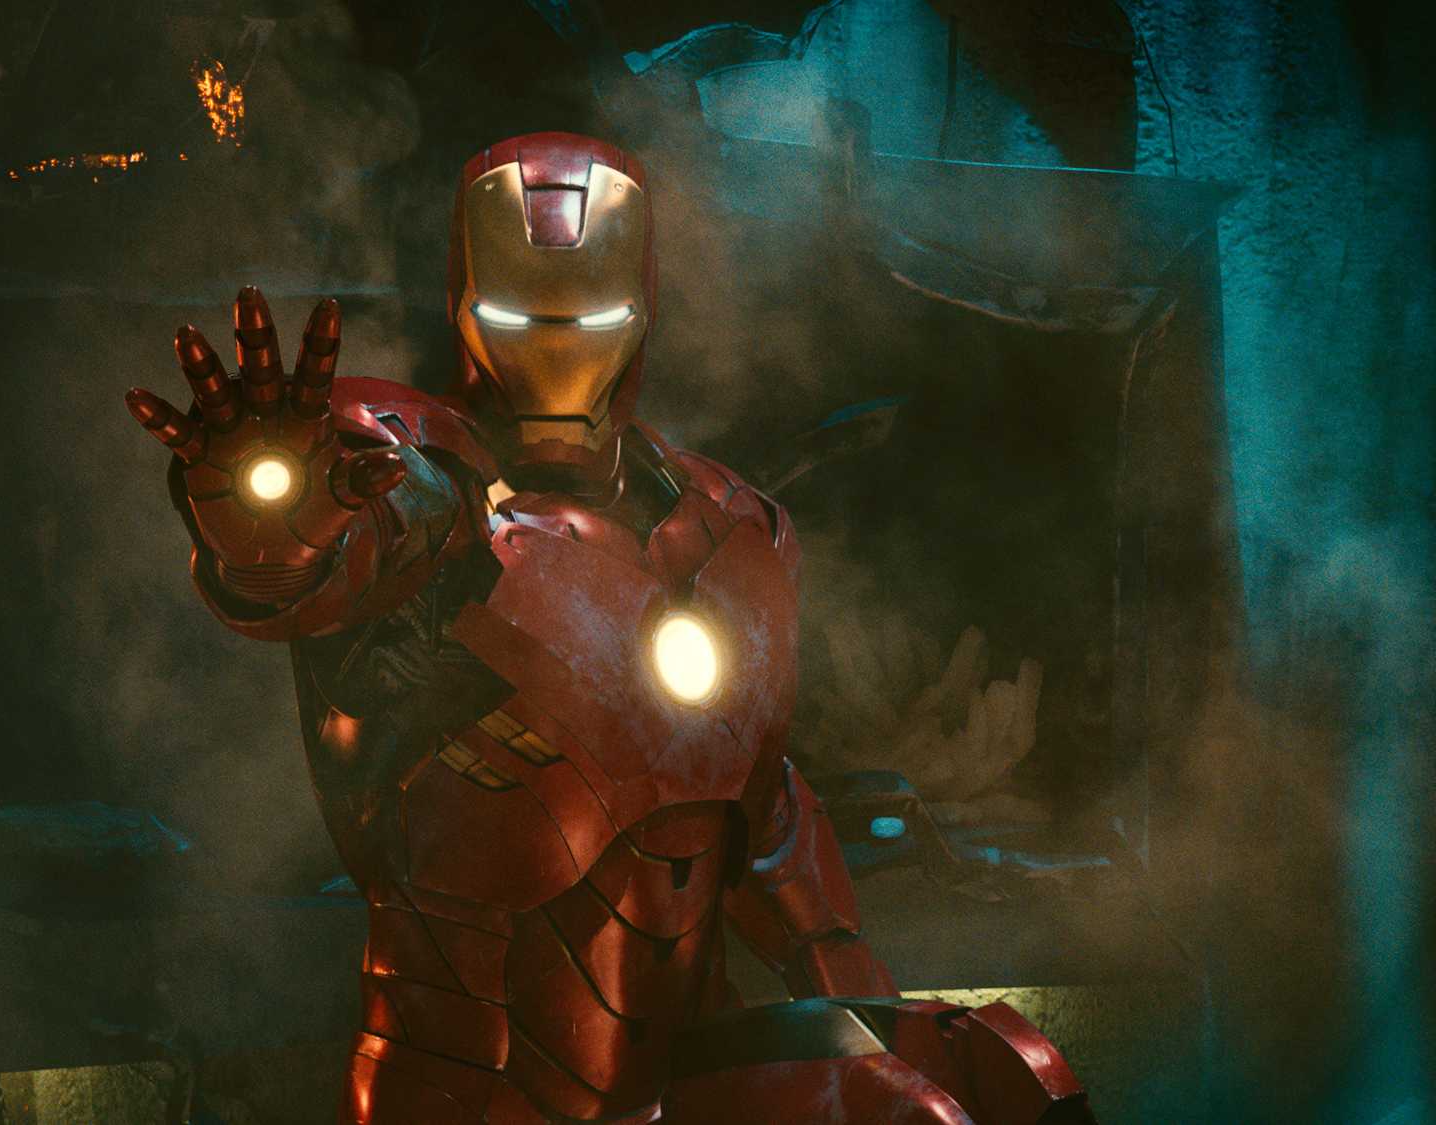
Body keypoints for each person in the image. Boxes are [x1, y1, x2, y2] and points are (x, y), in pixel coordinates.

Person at [127, 131, 1091, 1124]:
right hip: (467, 1088)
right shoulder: (433, 493)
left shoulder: (730, 525)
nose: (556, 353)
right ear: (464, 303)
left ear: (639, 306)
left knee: (1006, 1080)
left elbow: (761, 804)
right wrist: (271, 519)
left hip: (688, 1079)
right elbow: (351, 528)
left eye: (590, 319)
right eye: (516, 318)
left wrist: (849, 993)